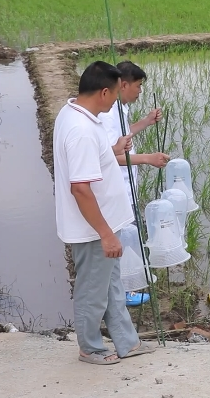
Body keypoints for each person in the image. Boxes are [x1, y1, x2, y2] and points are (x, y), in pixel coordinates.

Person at [53, 60, 156, 365]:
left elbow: (92, 159)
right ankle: (90, 348)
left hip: (102, 224)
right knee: (92, 291)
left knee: (111, 287)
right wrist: (107, 234)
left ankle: (127, 342)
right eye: (113, 95)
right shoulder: (81, 129)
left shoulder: (75, 112)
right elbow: (80, 188)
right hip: (93, 228)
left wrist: (112, 150)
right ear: (103, 92)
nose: (115, 103)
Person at [98, 60, 169, 307]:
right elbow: (110, 156)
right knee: (123, 239)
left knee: (128, 236)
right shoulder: (108, 115)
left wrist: (147, 121)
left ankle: (125, 285)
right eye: (138, 86)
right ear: (124, 84)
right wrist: (148, 159)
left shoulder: (120, 108)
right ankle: (125, 290)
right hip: (117, 190)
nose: (140, 91)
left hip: (125, 187)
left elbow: (124, 135)